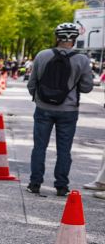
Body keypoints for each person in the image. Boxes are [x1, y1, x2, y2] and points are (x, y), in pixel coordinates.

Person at [25, 23, 95, 196]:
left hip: (43, 109)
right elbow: (87, 88)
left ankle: (35, 183)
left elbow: (32, 83)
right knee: (64, 149)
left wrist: (40, 99)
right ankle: (61, 186)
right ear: (74, 39)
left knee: (39, 147)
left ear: (57, 37)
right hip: (68, 110)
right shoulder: (82, 60)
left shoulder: (42, 55)